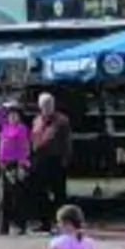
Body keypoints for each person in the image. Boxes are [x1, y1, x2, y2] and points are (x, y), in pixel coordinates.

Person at [30, 92, 74, 233]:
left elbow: (67, 142)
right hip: (40, 160)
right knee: (40, 193)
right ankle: (44, 223)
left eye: (49, 104)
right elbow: (33, 139)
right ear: (40, 106)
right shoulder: (36, 120)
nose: (47, 106)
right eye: (44, 104)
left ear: (53, 105)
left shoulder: (62, 120)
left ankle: (62, 224)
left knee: (59, 194)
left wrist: (66, 159)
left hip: (56, 160)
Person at [0, 103, 32, 235]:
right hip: (5, 165)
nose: (12, 117)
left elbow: (24, 147)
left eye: (15, 115)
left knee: (17, 196)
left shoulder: (21, 129)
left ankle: (21, 225)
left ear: (19, 117)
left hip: (16, 164)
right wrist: (5, 106)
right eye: (10, 115)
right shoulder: (5, 127)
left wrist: (21, 164)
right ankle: (3, 227)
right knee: (4, 197)